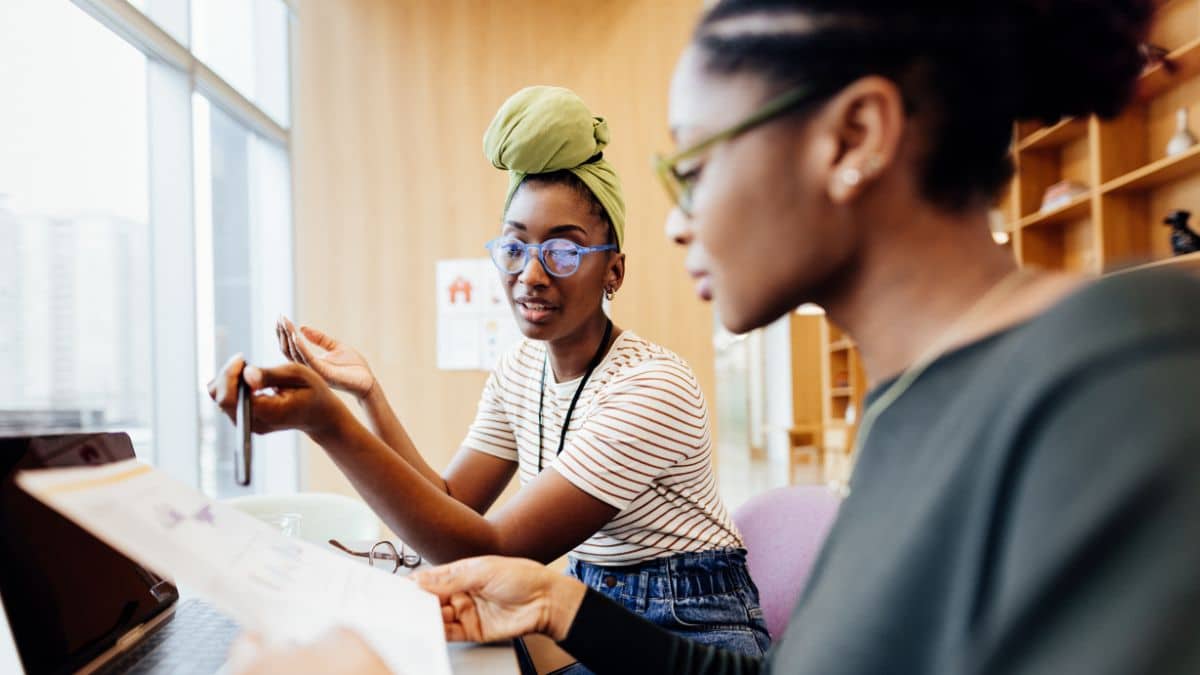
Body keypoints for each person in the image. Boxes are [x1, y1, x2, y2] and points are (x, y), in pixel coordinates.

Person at [233, 0, 1200, 673]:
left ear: (854, 136)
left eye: (694, 162)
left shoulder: (1121, 399)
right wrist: (559, 602)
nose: (673, 222)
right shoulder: (921, 407)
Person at [209, 85, 770, 662]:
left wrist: (326, 424)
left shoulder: (651, 386)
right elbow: (452, 502)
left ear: (614, 272)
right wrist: (366, 396)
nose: (531, 274)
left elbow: (492, 546)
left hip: (695, 629)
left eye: (564, 251)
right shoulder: (519, 368)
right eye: (514, 247)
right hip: (593, 612)